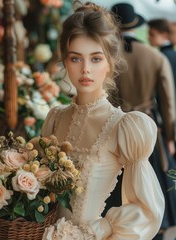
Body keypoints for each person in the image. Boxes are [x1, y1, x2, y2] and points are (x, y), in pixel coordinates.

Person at [41, 2, 164, 239]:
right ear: (65, 61)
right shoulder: (54, 118)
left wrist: (103, 228)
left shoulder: (125, 126)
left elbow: (147, 210)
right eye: (76, 59)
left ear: (110, 62)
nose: (86, 69)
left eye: (96, 59)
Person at [109, 3, 176, 240]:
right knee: (151, 180)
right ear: (135, 25)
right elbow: (168, 103)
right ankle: (154, 224)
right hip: (148, 131)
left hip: (115, 127)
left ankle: (120, 229)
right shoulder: (156, 57)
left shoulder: (105, 58)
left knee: (117, 185)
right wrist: (171, 137)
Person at [147, 18, 176, 92]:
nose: (148, 37)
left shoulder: (161, 56)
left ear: (164, 35)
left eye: (152, 34)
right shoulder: (172, 54)